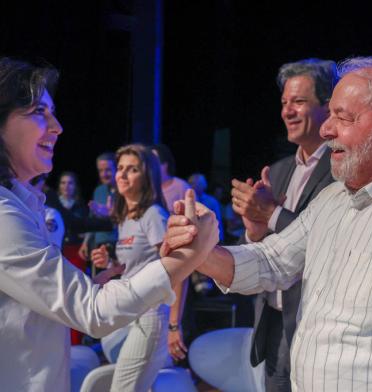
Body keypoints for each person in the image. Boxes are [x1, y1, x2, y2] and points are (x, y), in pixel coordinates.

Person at [163, 56, 372, 391]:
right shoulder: (331, 200)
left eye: (343, 117)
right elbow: (272, 260)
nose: (327, 129)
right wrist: (201, 249)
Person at [0, 57, 218, 391]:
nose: (57, 126)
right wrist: (190, 255)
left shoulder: (152, 215)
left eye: (131, 168)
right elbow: (92, 308)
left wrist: (172, 319)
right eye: (38, 112)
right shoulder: (6, 213)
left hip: (141, 315)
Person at [231, 59, 336, 391]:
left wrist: (272, 213)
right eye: (284, 103)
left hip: (315, 325)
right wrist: (255, 229)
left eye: (299, 102)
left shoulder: (342, 168)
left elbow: (326, 240)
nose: (288, 111)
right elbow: (265, 248)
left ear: (328, 107)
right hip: (274, 321)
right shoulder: (277, 171)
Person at [91, 144, 171, 391]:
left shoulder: (154, 215)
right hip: (129, 313)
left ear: (147, 176)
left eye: (132, 169)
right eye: (121, 168)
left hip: (149, 316)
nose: (122, 175)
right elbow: (134, 266)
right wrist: (111, 266)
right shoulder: (127, 217)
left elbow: (175, 269)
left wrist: (175, 325)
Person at [152, 143, 190, 361]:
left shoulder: (180, 186)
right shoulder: (149, 189)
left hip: (178, 252)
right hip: (155, 258)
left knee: (176, 305)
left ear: (165, 164)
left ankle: (179, 359)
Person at [78, 152, 118, 262]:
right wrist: (85, 243)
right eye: (101, 170)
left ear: (116, 169)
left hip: (118, 243)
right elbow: (93, 220)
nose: (104, 174)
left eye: (108, 170)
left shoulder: (124, 190)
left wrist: (110, 215)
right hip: (99, 244)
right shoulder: (98, 190)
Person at [188, 173, 224, 242]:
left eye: (193, 183)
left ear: (203, 185)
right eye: (190, 183)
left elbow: (218, 221)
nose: (191, 185)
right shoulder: (187, 201)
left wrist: (220, 238)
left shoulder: (212, 201)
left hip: (210, 239)